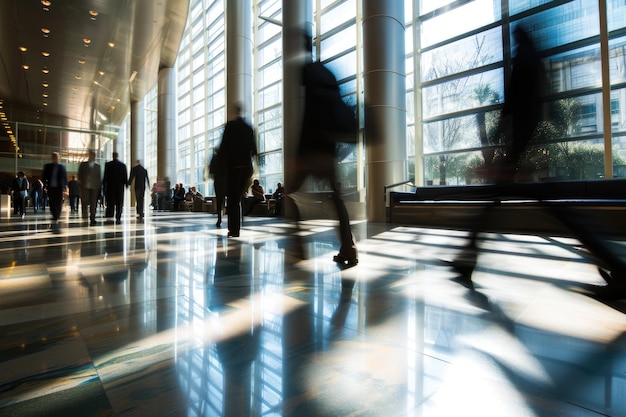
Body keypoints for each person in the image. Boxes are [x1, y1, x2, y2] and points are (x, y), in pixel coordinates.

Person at [287, 35, 359, 267]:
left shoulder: (307, 71)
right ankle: (349, 247)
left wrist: (299, 153)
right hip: (328, 149)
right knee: (337, 199)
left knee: (291, 192)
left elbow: (308, 114)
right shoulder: (329, 74)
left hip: (311, 148)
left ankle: (299, 246)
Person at [218, 102, 257, 237]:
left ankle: (234, 230)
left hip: (234, 167)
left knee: (233, 199)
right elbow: (254, 150)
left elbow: (223, 148)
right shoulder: (249, 128)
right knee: (238, 197)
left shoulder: (230, 126)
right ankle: (237, 228)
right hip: (246, 167)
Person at [102, 151, 128, 224]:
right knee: (119, 201)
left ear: (112, 156)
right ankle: (118, 216)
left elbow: (105, 176)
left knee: (111, 201)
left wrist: (104, 185)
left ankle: (111, 213)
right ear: (117, 156)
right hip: (120, 186)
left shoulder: (108, 165)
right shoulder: (122, 165)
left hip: (110, 186)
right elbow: (125, 176)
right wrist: (126, 184)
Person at [42, 152, 68, 222]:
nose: (55, 158)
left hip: (59, 187)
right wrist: (44, 185)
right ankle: (54, 214)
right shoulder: (48, 166)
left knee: (58, 201)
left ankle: (57, 215)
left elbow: (65, 177)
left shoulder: (62, 167)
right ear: (52, 158)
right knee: (51, 201)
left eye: (56, 157)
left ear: (58, 158)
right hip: (51, 187)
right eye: (54, 157)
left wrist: (65, 186)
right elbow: (44, 177)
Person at [78, 150, 102, 226]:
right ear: (89, 156)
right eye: (91, 155)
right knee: (84, 202)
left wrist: (98, 186)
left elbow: (99, 177)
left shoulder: (98, 166)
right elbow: (79, 174)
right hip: (85, 186)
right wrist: (81, 183)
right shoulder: (83, 164)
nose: (93, 157)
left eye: (94, 156)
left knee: (93, 203)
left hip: (94, 187)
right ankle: (84, 217)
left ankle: (92, 218)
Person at [209, 148, 227, 227]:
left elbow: (211, 171)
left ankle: (219, 219)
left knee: (219, 200)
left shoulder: (215, 158)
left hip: (218, 180)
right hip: (228, 180)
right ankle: (233, 221)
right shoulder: (227, 157)